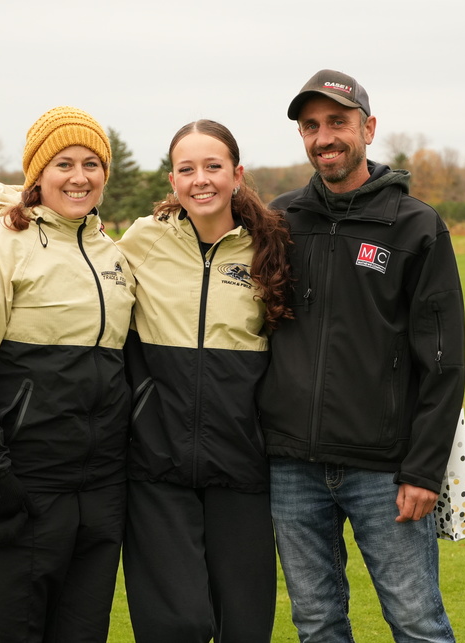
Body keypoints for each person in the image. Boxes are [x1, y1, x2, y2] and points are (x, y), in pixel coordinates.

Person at [259, 69, 465, 642]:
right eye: (311, 126)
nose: (324, 137)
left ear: (368, 128)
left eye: (338, 123)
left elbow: (444, 360)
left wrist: (423, 469)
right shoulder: (280, 220)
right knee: (318, 624)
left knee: (417, 622)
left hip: (384, 471)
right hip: (292, 467)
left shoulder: (415, 225)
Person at [0, 106, 136, 643]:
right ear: (37, 172)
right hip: (16, 491)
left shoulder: (110, 253)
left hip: (95, 496)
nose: (79, 176)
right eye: (63, 162)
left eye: (92, 163)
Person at [117, 119, 292, 643]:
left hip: (241, 466)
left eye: (213, 166)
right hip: (156, 464)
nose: (201, 180)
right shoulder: (141, 241)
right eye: (186, 169)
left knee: (244, 627)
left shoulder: (269, 246)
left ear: (237, 174)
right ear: (172, 180)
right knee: (178, 624)